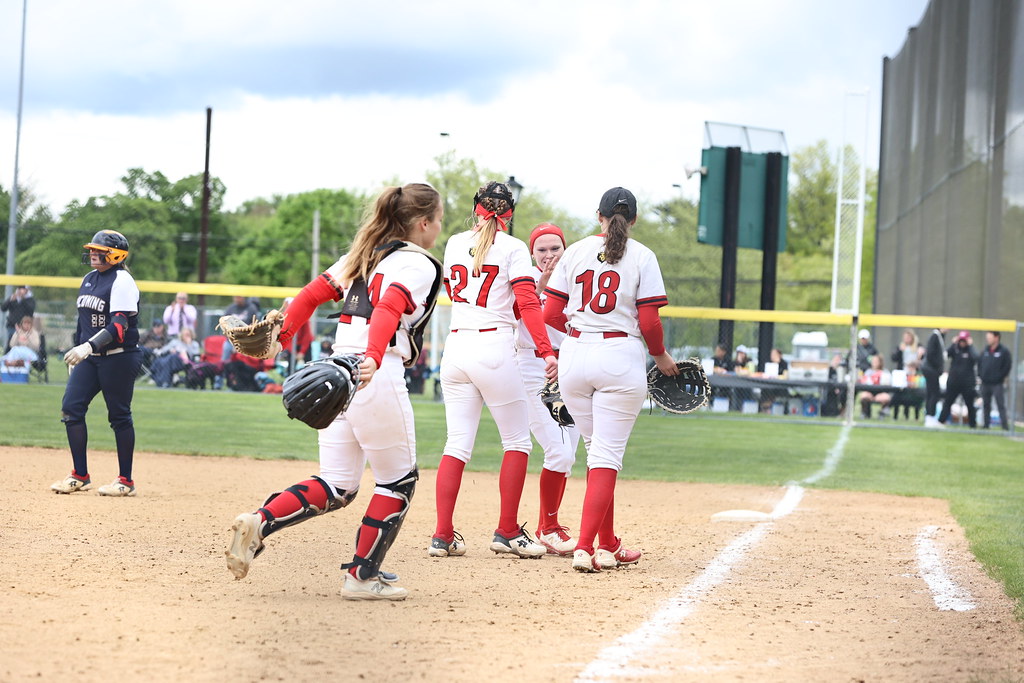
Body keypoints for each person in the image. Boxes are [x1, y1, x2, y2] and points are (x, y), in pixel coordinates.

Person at [225, 182, 445, 601]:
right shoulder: (419, 263)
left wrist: (280, 340)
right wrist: (374, 357)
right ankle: (362, 577)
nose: (438, 228)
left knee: (337, 483)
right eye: (438, 220)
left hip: (333, 371)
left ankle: (259, 521)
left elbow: (311, 294)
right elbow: (389, 306)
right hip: (373, 373)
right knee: (398, 482)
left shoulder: (364, 253)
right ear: (422, 223)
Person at [542, 186, 678, 573]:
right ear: (633, 219)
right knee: (606, 456)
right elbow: (649, 321)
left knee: (596, 452)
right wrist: (661, 356)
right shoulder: (642, 255)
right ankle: (586, 547)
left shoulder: (575, 251)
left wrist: (578, 334)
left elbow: (550, 313)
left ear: (598, 216)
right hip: (619, 356)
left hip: (575, 355)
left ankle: (608, 545)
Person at [430, 181, 556, 561]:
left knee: (456, 444)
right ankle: (507, 531)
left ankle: (442, 535)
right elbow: (526, 305)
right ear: (509, 213)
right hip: (494, 347)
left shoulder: (454, 242)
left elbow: (466, 296)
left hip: (456, 346)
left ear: (476, 208)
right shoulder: (513, 247)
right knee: (517, 442)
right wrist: (546, 351)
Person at [51, 230, 143, 496]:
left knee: (119, 416)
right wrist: (78, 348)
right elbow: (84, 322)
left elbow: (119, 326)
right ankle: (80, 475)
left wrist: (87, 347)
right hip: (90, 358)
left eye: (99, 250)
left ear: (115, 255)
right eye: (92, 249)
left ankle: (125, 481)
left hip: (120, 357)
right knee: (71, 409)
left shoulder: (122, 280)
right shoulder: (89, 278)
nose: (93, 252)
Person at [516, 223, 581, 556]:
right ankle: (548, 528)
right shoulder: (524, 276)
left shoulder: (575, 277)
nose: (549, 255)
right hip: (534, 367)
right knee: (559, 451)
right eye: (541, 249)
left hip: (569, 368)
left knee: (567, 454)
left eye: (555, 248)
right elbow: (517, 314)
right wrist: (541, 284)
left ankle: (548, 527)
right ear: (532, 253)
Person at [937, 330, 979, 428]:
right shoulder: (955, 349)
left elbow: (976, 358)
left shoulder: (970, 350)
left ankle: (973, 425)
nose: (962, 343)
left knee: (970, 404)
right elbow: (945, 356)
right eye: (961, 340)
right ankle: (940, 421)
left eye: (964, 341)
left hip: (967, 383)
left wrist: (971, 346)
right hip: (954, 382)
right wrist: (953, 344)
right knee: (948, 402)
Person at [978, 331, 1011, 430]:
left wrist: (1000, 377)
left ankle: (1005, 426)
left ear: (996, 338)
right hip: (985, 383)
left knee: (1000, 404)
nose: (988, 340)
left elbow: (1007, 366)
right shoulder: (985, 350)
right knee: (986, 404)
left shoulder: (1004, 351)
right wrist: (981, 375)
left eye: (990, 338)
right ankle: (986, 425)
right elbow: (980, 364)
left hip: (997, 383)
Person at [220, 295, 261, 363]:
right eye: (235, 297)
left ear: (243, 297)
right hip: (231, 340)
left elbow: (255, 325)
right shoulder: (231, 308)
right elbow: (224, 323)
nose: (237, 299)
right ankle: (223, 368)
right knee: (226, 349)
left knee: (243, 360)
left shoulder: (251, 308)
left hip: (246, 341)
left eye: (239, 297)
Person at [921, 327, 948, 427]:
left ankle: (930, 417)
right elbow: (931, 354)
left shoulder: (939, 336)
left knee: (931, 393)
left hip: (931, 369)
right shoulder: (935, 336)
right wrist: (938, 367)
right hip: (931, 370)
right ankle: (930, 417)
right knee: (933, 393)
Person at [858, 354, 893, 418]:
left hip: (881, 392)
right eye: (873, 361)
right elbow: (864, 382)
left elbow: (888, 384)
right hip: (870, 391)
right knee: (864, 395)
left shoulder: (885, 372)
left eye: (876, 361)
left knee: (886, 397)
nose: (874, 363)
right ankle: (865, 413)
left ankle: (882, 414)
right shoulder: (868, 372)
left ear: (880, 362)